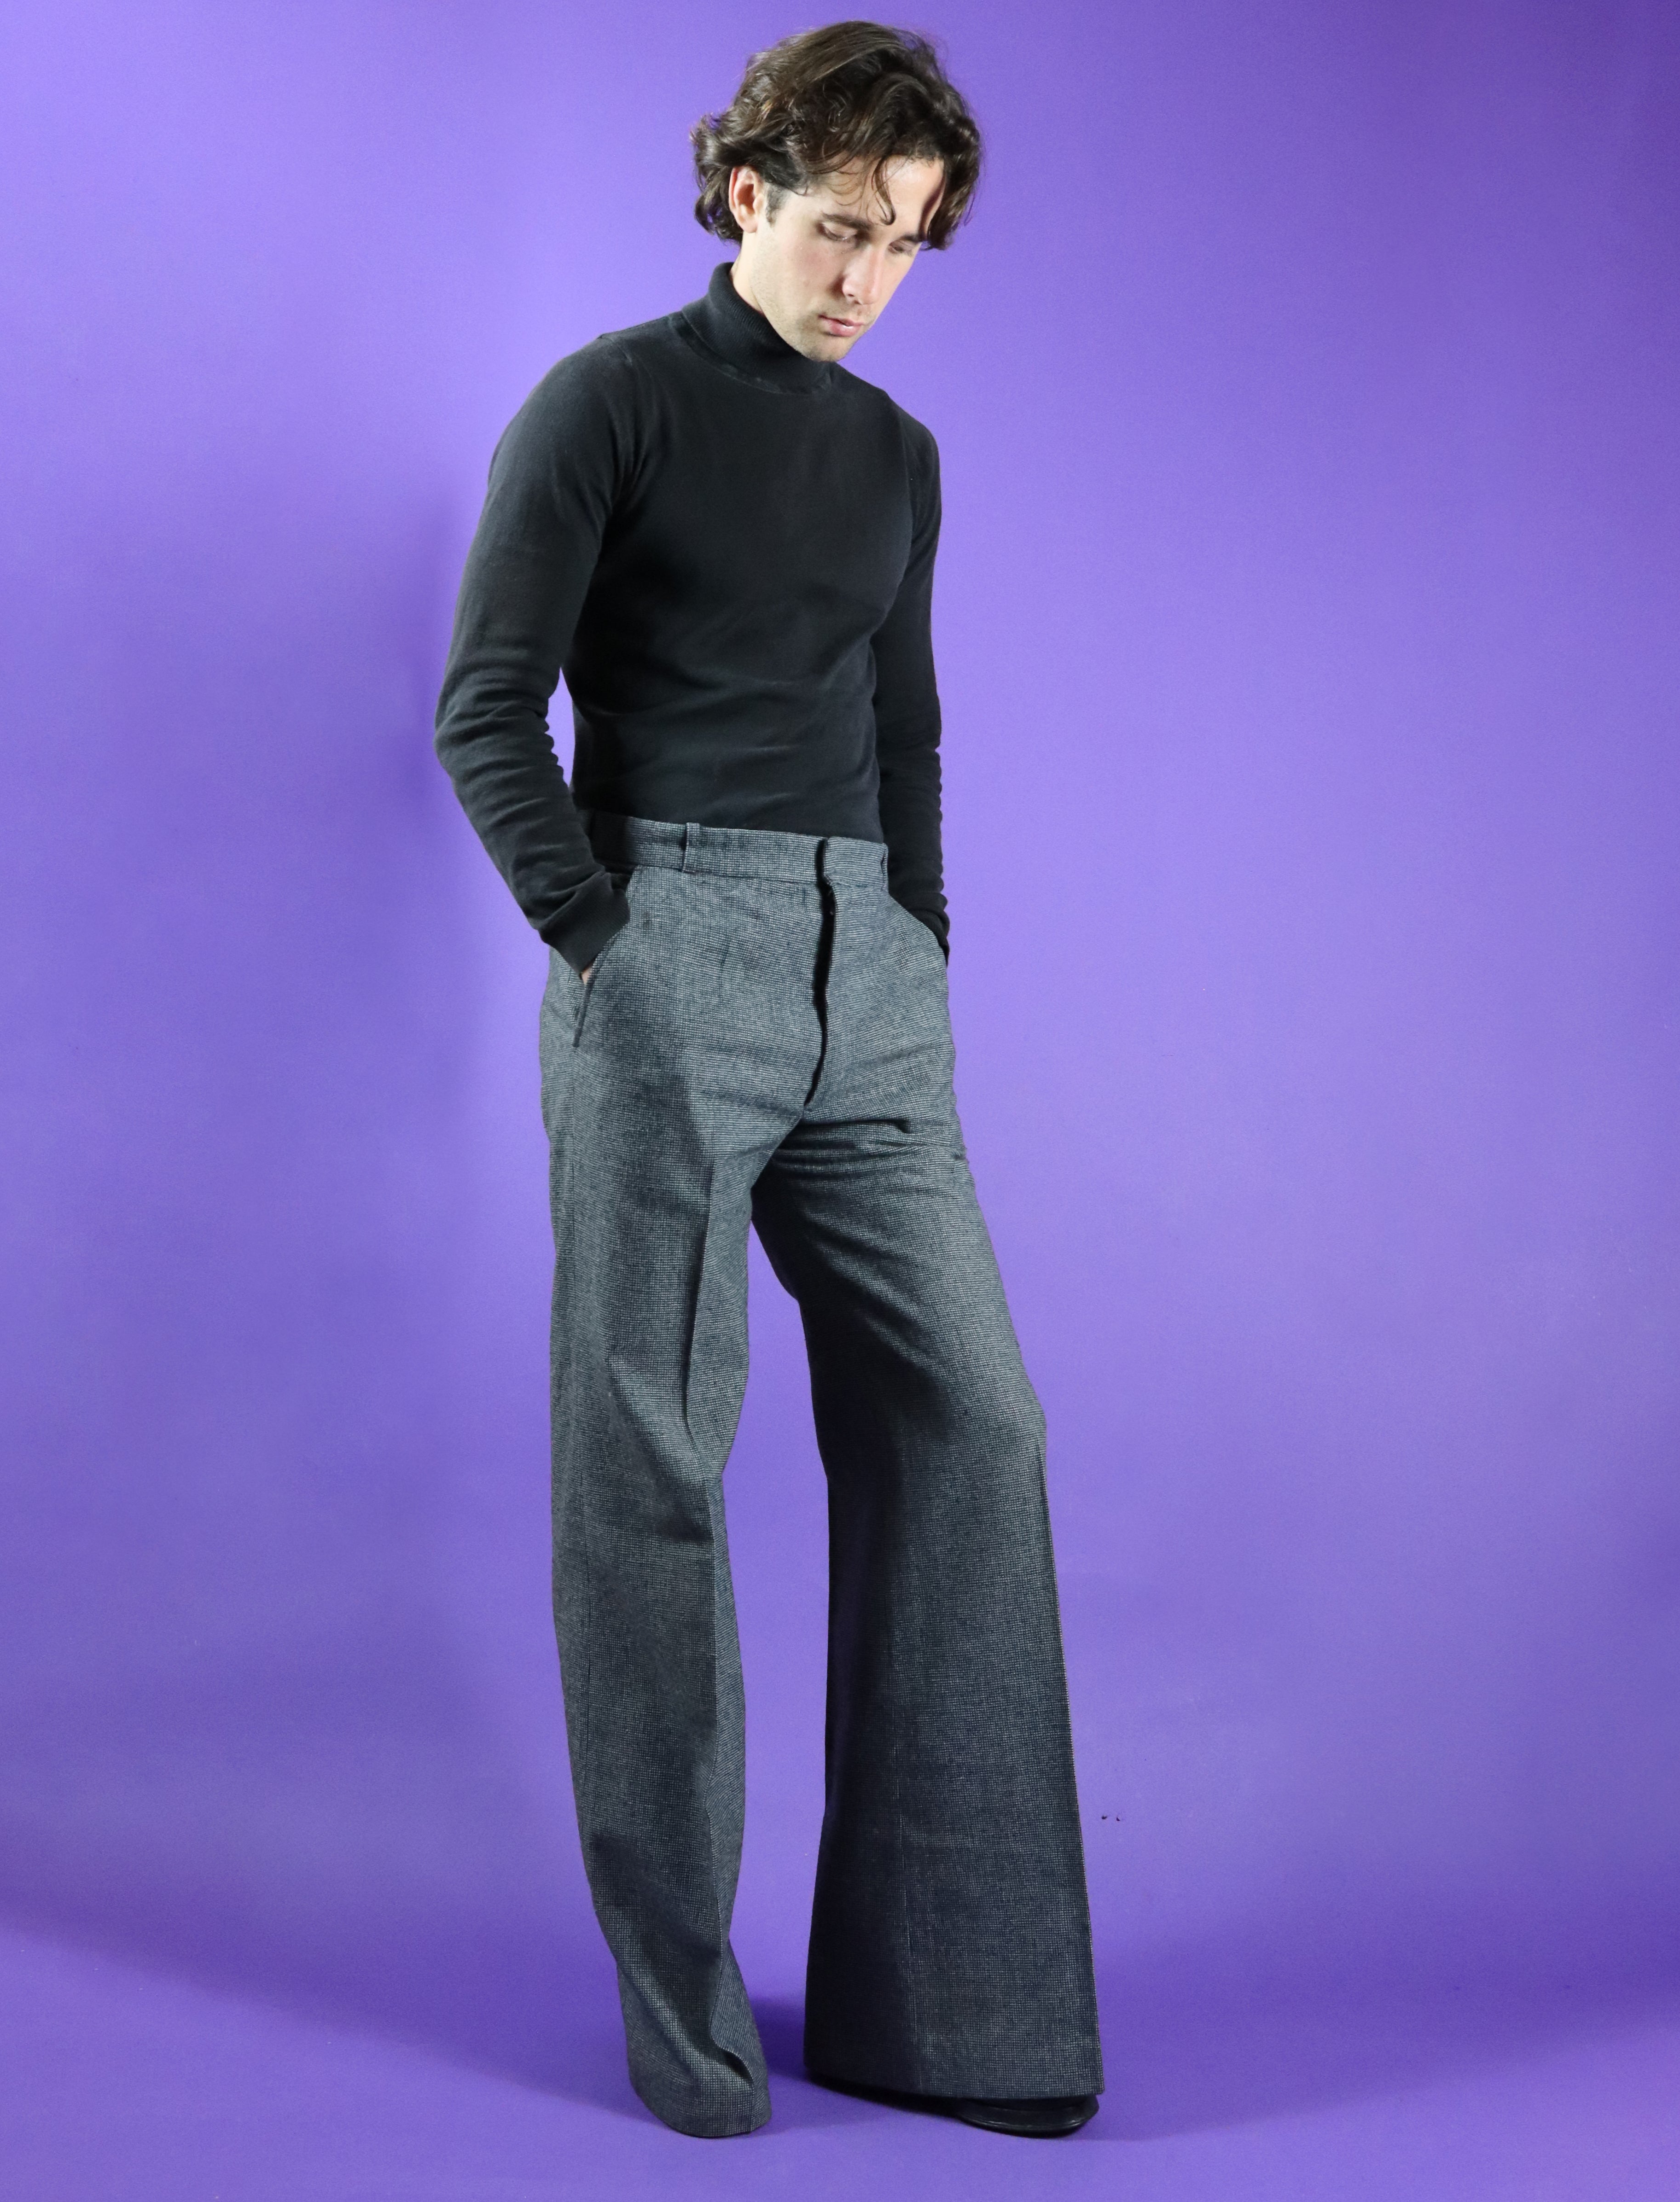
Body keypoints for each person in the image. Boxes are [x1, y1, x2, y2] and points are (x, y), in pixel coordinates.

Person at [434, 21, 1103, 2141]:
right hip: (667, 948)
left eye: (904, 245)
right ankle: (684, 2008)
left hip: (861, 974)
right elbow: (483, 708)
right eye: (839, 228)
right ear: (749, 192)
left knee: (975, 1419)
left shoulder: (898, 454)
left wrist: (916, 948)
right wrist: (606, 942)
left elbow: (905, 729)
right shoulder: (609, 403)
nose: (865, 279)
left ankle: (959, 2008)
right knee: (653, 1459)